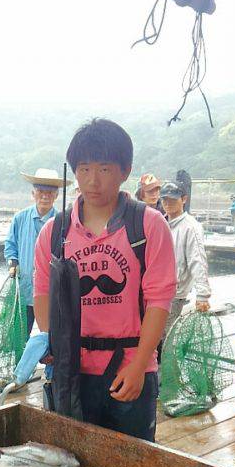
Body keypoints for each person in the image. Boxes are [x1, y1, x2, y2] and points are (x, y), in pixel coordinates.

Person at [34, 119, 176, 442]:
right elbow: (43, 292)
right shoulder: (54, 233)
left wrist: (140, 365)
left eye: (104, 169)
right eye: (83, 169)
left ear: (124, 170)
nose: (92, 181)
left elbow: (159, 300)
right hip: (74, 373)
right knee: (74, 463)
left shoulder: (148, 226)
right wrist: (51, 342)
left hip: (130, 369)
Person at [4, 168, 69, 336]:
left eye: (50, 192)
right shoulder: (20, 218)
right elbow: (11, 245)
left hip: (51, 291)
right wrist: (13, 263)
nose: (45, 196)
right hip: (24, 288)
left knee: (51, 336)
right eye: (40, 191)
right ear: (33, 193)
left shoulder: (63, 221)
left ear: (56, 196)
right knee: (20, 336)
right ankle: (21, 362)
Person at [160, 182, 211, 338]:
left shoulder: (191, 227)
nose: (168, 204)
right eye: (165, 200)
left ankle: (168, 362)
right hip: (157, 290)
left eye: (173, 199)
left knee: (166, 336)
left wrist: (202, 295)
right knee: (154, 333)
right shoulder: (161, 222)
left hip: (176, 293)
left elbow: (198, 261)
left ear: (184, 199)